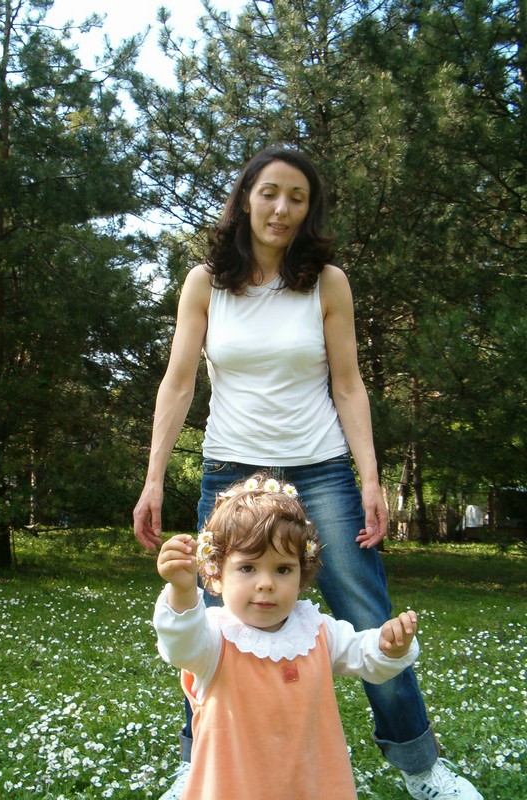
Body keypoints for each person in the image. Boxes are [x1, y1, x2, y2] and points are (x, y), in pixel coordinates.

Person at [133, 145, 483, 800]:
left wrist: (370, 478)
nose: (281, 208)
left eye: (297, 197)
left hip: (320, 468)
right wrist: (154, 479)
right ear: (246, 198)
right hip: (231, 469)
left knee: (366, 607)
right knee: (218, 617)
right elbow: (178, 384)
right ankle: (199, 765)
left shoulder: (328, 283)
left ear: (309, 209)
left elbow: (348, 386)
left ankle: (420, 766)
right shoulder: (205, 283)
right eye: (269, 192)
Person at [154, 475, 420, 800]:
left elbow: (362, 654)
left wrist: (388, 647)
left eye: (282, 569)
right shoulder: (214, 638)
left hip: (310, 782)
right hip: (234, 785)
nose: (266, 583)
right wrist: (182, 593)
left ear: (301, 574)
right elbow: (182, 647)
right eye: (248, 568)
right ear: (217, 574)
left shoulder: (316, 631)